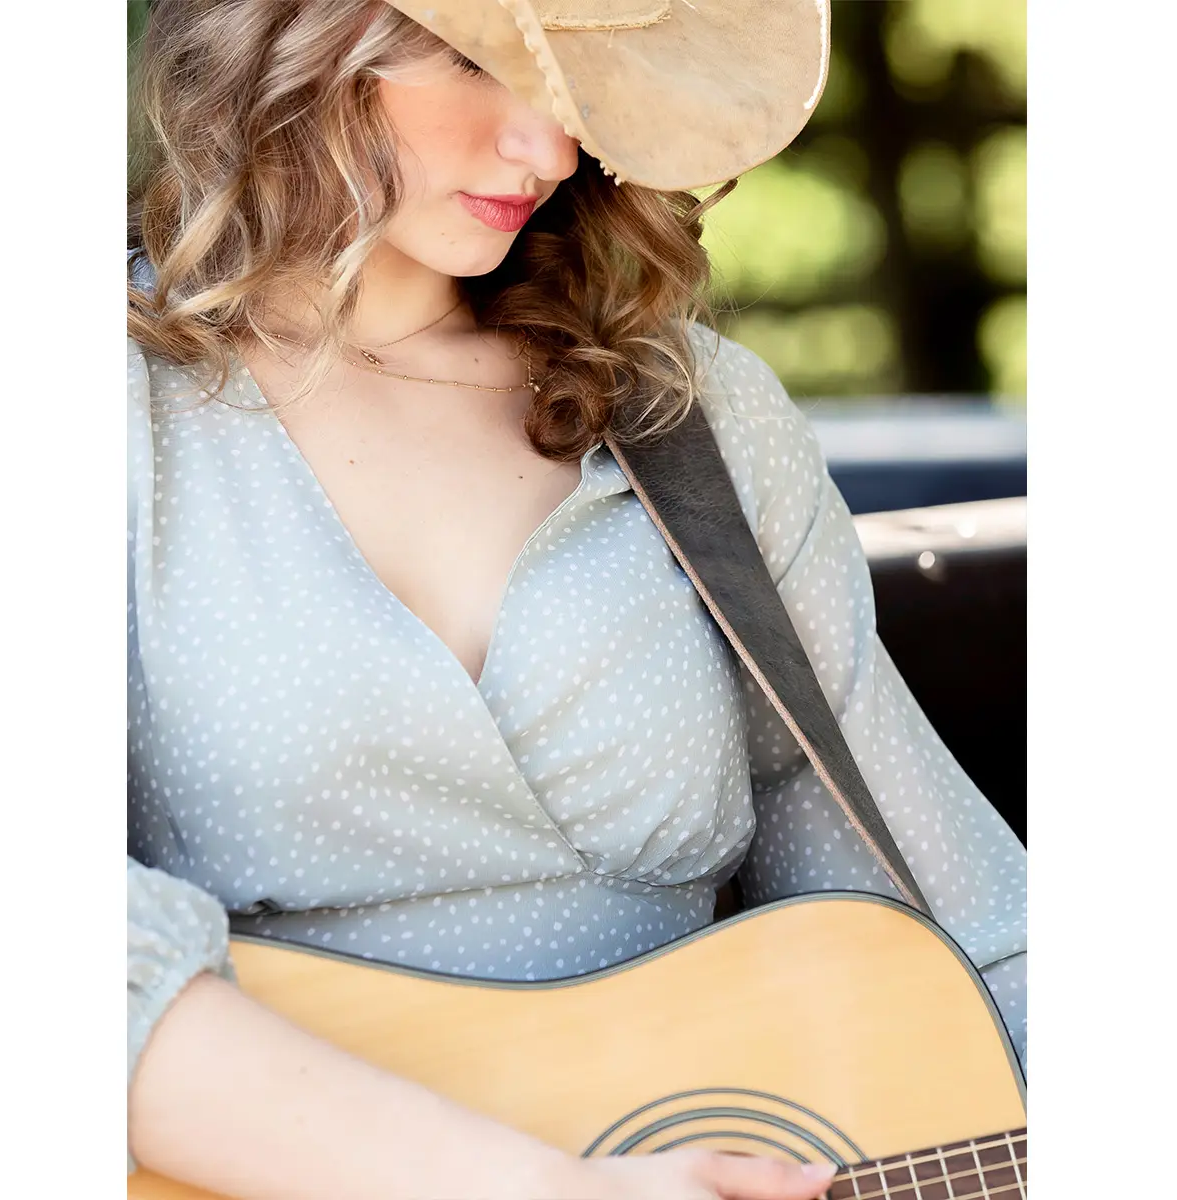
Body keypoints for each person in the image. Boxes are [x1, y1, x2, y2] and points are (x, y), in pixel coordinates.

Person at [126, 2, 1027, 1198]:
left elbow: (960, 926)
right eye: (484, 65)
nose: (552, 150)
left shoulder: (689, 421)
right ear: (300, 38)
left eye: (579, 86)